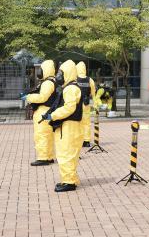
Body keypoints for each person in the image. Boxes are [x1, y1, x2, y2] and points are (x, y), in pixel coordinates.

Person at [40, 60, 83, 192]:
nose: (58, 76)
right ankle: (70, 179)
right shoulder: (71, 87)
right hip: (70, 126)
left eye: (61, 73)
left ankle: (69, 182)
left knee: (66, 154)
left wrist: (52, 115)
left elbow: (69, 108)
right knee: (69, 154)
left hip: (68, 127)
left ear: (67, 73)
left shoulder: (70, 89)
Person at [23, 60, 58, 166]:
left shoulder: (47, 83)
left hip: (43, 111)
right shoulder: (51, 81)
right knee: (48, 136)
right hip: (47, 111)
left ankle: (43, 158)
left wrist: (28, 97)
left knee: (42, 135)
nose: (39, 72)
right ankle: (49, 156)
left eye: (40, 70)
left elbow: (42, 97)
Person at [75, 61, 96, 148]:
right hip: (86, 104)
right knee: (86, 123)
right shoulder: (90, 80)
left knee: (77, 123)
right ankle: (86, 141)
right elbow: (94, 93)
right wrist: (95, 104)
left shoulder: (75, 79)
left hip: (76, 104)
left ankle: (78, 140)